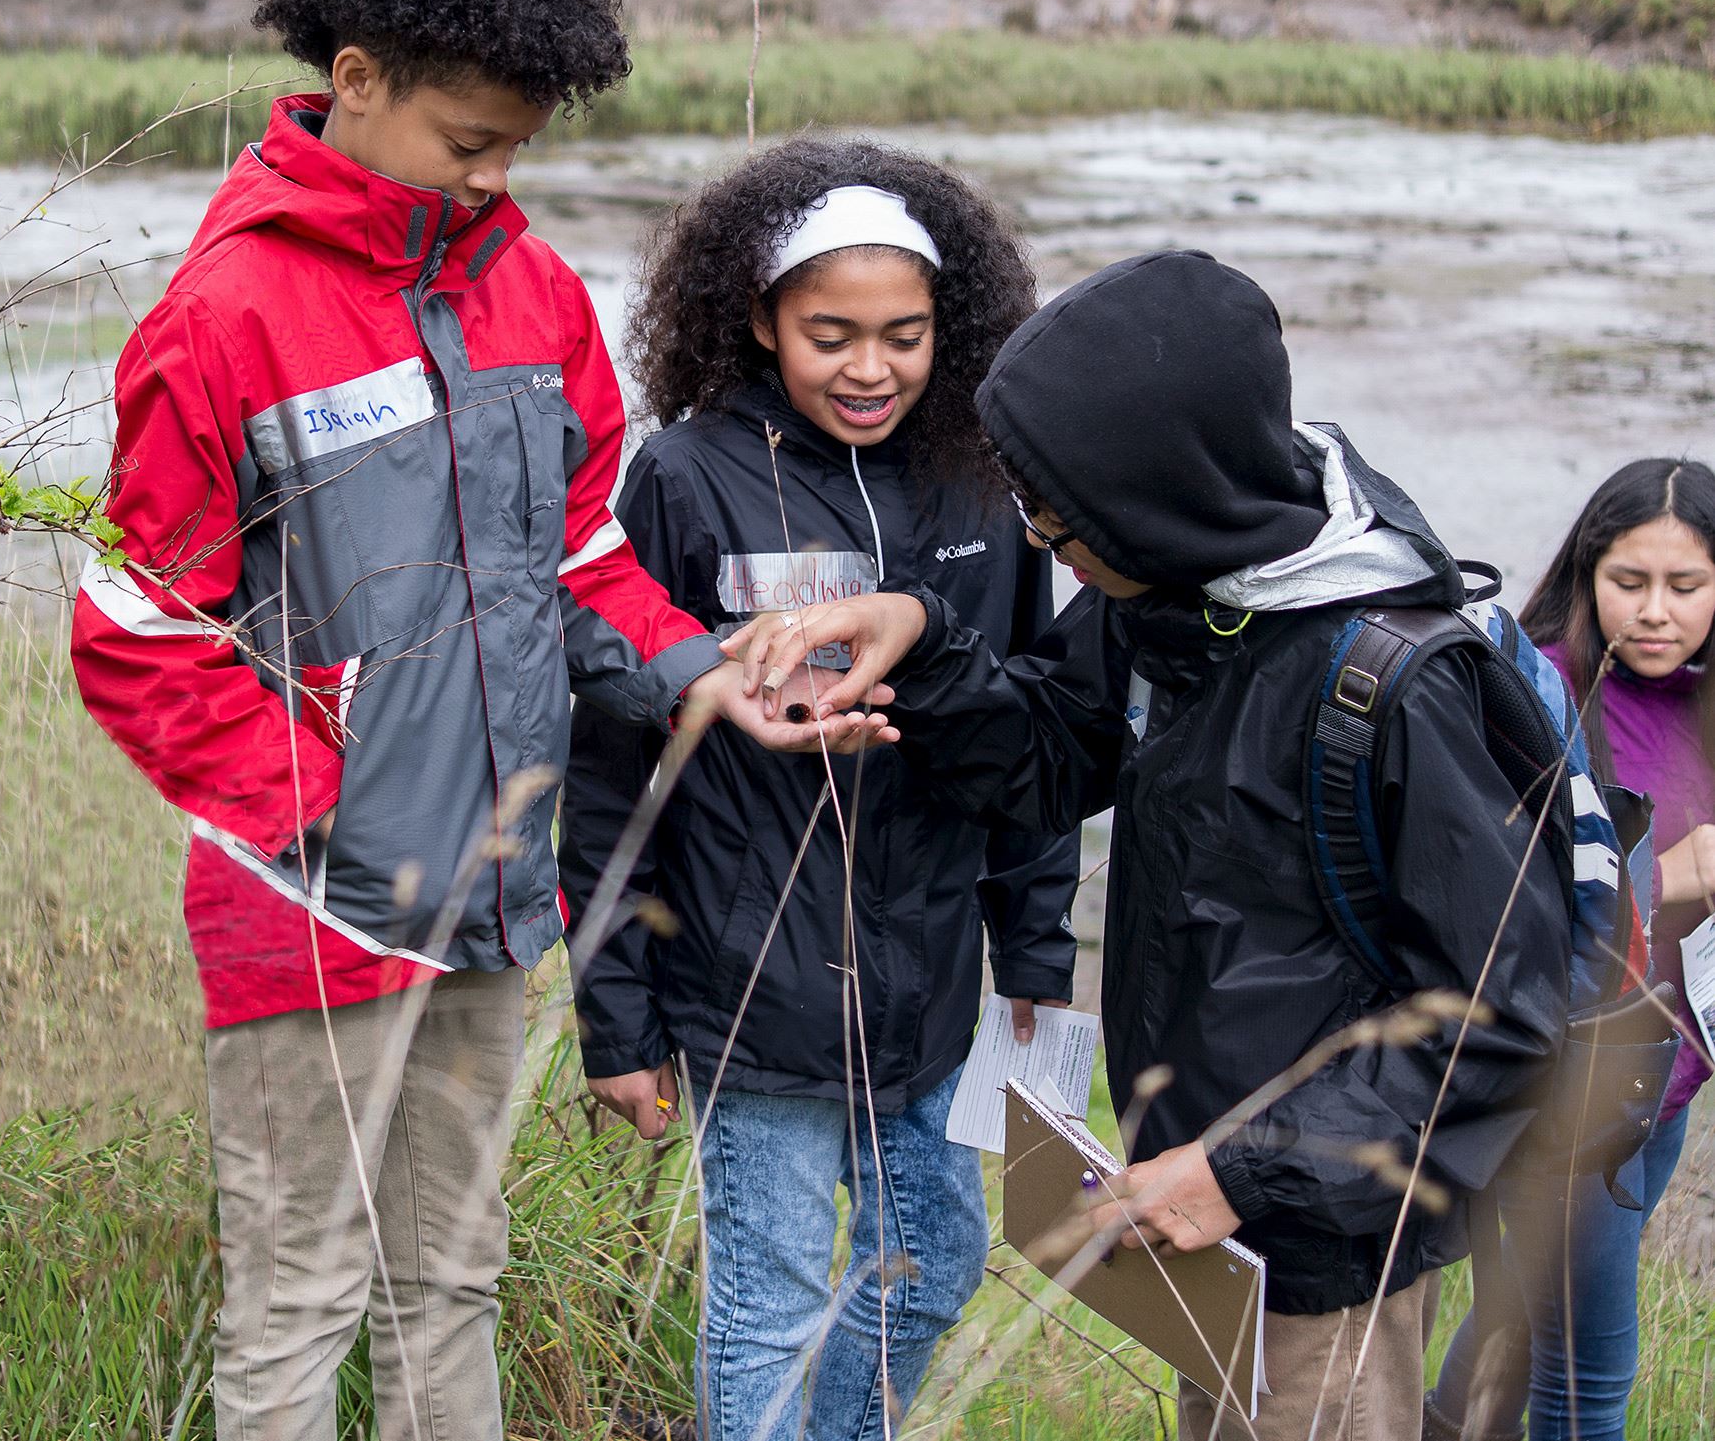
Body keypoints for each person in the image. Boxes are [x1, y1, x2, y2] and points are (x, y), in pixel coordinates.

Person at [68, 0, 877, 1441]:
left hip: (495, 897)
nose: (497, 177)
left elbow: (576, 558)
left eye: (519, 143)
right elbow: (137, 627)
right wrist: (329, 820)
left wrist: (709, 674)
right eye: (470, 142)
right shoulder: (224, 316)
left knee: (450, 1277)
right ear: (355, 77)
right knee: (297, 1299)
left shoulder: (536, 295)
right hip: (311, 907)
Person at [725, 250, 1574, 1441]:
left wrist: (1241, 1173)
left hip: (1318, 1244)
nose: (1038, 539)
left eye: (1059, 515)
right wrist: (919, 635)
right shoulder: (1178, 591)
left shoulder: (1392, 682)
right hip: (1207, 1216)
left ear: (1156, 492)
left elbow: (1499, 1018)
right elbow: (1045, 759)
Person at [558, 136, 1081, 1441]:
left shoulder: (983, 481)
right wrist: (616, 1021)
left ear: (948, 326)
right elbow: (614, 763)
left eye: (904, 335)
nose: (869, 369)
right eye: (829, 335)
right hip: (751, 990)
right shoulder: (686, 478)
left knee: (937, 1265)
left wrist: (1032, 952)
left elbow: (1032, 740)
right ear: (757, 319)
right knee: (770, 1306)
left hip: (934, 994)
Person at [1426, 458, 1715, 1441]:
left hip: (1666, 1073)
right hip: (1567, 1083)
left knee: (1521, 1301)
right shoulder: (1533, 692)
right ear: (1585, 574)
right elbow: (1502, 899)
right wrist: (1671, 873)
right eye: (1628, 581)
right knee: (1588, 1373)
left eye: (1685, 585)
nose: (1655, 612)